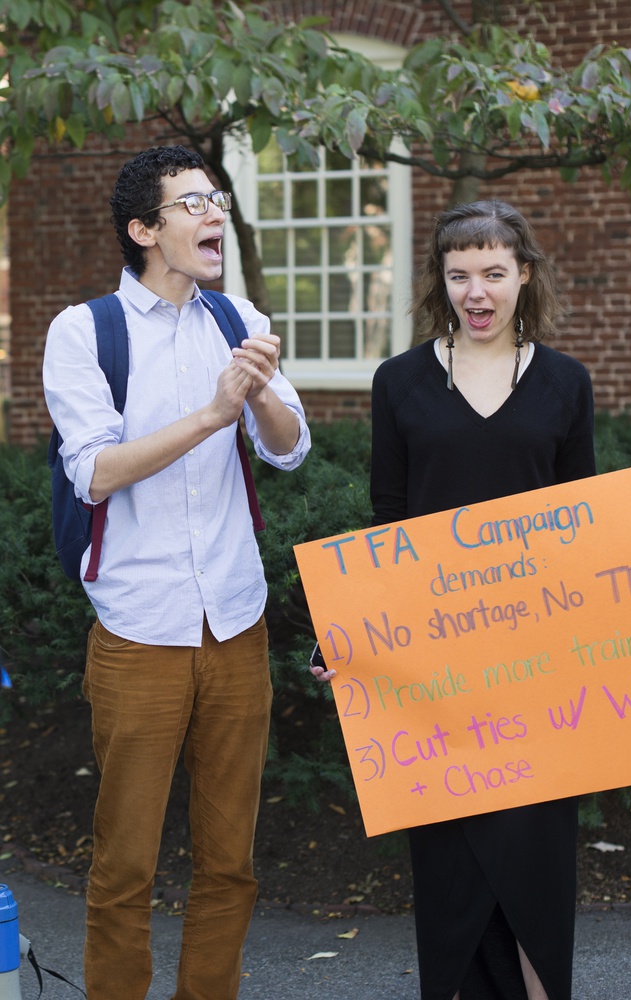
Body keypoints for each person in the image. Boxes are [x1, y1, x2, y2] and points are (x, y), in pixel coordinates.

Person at [310, 198, 631, 1000]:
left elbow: (584, 524)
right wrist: (347, 636)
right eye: (460, 275)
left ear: (524, 275)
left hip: (539, 680)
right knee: (453, 885)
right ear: (442, 282)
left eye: (494, 272)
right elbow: (386, 526)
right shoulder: (398, 383)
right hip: (437, 687)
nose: (477, 292)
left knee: (533, 881)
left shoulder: (566, 382)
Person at [43, 145, 310, 1000]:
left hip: (235, 622)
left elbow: (291, 448)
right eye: (193, 203)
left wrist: (259, 390)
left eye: (217, 199)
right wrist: (210, 414)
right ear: (144, 229)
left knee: (230, 865)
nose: (214, 215)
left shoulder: (238, 318)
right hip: (138, 634)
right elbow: (94, 472)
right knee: (126, 865)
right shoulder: (85, 332)